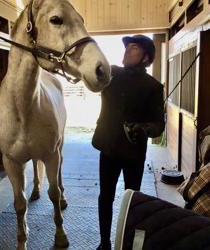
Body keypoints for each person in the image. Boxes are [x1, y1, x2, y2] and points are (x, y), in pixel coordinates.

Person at [92, 34, 165, 250]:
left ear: (146, 58)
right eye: (127, 47)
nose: (127, 50)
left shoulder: (153, 87)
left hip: (133, 153)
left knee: (132, 200)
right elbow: (89, 73)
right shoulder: (111, 73)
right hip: (108, 148)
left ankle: (126, 243)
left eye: (133, 48)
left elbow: (158, 125)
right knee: (105, 196)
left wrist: (143, 128)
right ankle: (104, 242)